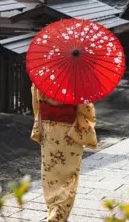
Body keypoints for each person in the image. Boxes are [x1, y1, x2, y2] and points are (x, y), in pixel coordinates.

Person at [31, 84, 97, 222]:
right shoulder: (77, 79)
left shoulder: (43, 76)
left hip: (49, 129)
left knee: (50, 174)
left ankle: (53, 209)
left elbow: (36, 102)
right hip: (70, 131)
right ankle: (59, 214)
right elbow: (86, 108)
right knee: (69, 176)